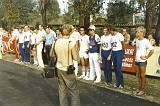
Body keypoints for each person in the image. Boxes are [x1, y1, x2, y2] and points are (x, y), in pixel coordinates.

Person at [53, 24, 80, 106]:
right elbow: (75, 58)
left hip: (59, 67)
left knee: (62, 90)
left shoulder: (57, 41)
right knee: (73, 91)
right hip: (68, 68)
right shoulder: (71, 43)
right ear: (71, 32)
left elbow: (53, 55)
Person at [135, 26, 154, 96]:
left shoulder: (146, 41)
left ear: (142, 33)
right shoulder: (137, 40)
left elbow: (152, 50)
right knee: (138, 75)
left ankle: (142, 90)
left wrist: (146, 57)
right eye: (136, 31)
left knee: (142, 76)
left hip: (142, 61)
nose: (136, 33)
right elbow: (137, 49)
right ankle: (139, 88)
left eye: (137, 31)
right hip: (136, 60)